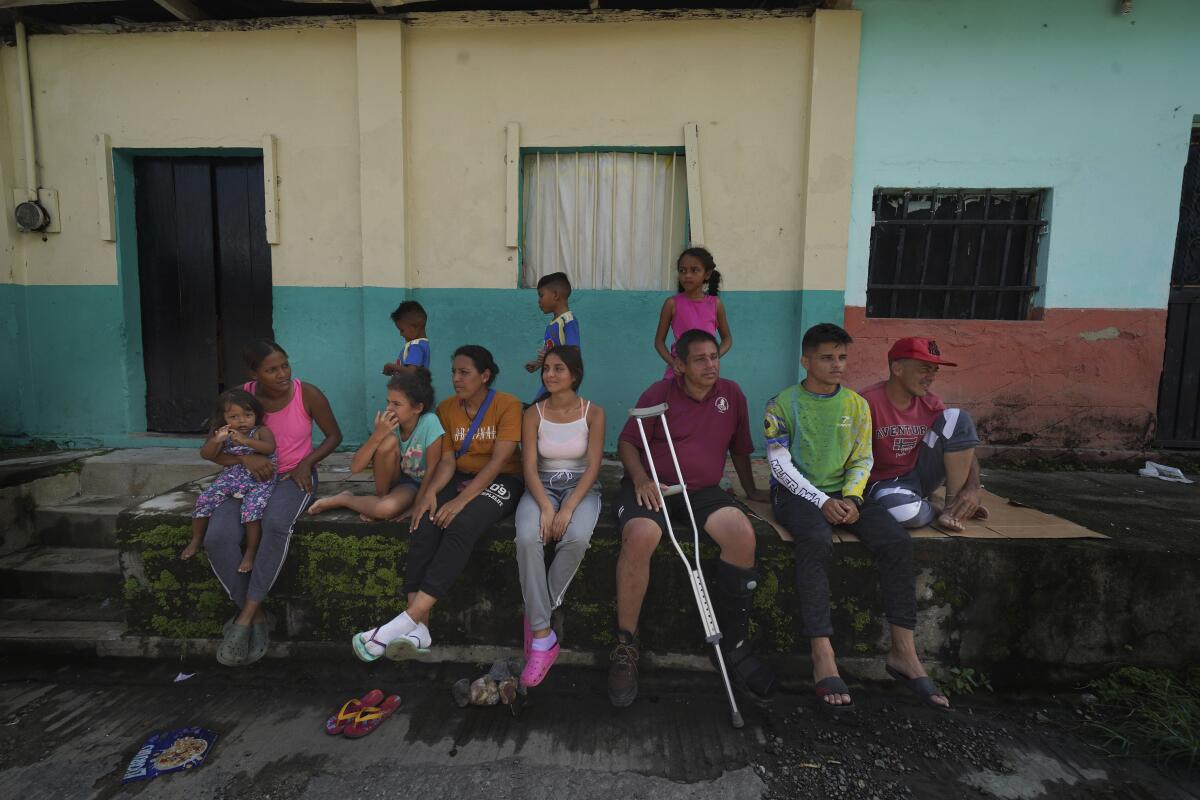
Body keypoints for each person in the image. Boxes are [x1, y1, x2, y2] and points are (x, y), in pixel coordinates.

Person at [765, 324, 948, 710]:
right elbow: (780, 465)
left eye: (842, 357)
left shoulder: (855, 404)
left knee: (896, 541)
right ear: (806, 361)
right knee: (816, 541)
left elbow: (864, 458)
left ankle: (904, 652)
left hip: (846, 494)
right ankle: (822, 654)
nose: (836, 365)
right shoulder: (780, 404)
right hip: (796, 495)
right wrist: (820, 501)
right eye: (826, 357)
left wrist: (850, 496)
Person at [609, 329, 774, 708]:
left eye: (714, 357)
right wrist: (641, 478)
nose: (710, 365)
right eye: (700, 359)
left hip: (700, 491)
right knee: (640, 535)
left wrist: (750, 490)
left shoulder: (731, 395)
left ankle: (733, 643)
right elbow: (628, 443)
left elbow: (741, 450)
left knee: (741, 534)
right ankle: (625, 645)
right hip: (653, 486)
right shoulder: (657, 394)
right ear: (679, 364)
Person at [352, 346, 525, 662]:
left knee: (462, 524)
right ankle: (420, 630)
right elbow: (446, 459)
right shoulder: (447, 408)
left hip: (502, 480)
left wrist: (461, 500)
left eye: (464, 372)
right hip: (459, 476)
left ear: (485, 375)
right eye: (454, 372)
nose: (456, 379)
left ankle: (405, 620)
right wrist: (430, 492)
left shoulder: (508, 405)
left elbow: (500, 460)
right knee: (424, 520)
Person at [206, 339, 343, 668]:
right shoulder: (240, 399)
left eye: (285, 365)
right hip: (245, 479)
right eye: (271, 369)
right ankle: (257, 615)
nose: (282, 373)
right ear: (254, 373)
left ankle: (246, 616)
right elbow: (213, 446)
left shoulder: (306, 394)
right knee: (217, 537)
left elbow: (334, 435)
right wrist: (246, 461)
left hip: (291, 478)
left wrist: (307, 464)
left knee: (276, 524)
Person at [513, 345, 605, 687]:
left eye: (558, 369)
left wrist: (567, 509)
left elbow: (594, 467)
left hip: (581, 488)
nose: (549, 374)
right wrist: (549, 507)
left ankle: (538, 617)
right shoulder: (533, 413)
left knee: (577, 536)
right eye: (547, 369)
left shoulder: (593, 413)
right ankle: (542, 635)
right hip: (541, 488)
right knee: (527, 537)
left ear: (575, 375)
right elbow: (529, 468)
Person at [859, 337, 987, 532]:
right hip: (880, 483)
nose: (931, 377)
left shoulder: (931, 404)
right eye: (924, 369)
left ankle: (952, 508)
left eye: (934, 370)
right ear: (897, 369)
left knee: (957, 418)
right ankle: (934, 507)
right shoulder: (866, 402)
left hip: (919, 476)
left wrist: (973, 489)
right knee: (903, 514)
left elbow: (960, 443)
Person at [306, 368, 443, 521]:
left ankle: (345, 500)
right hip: (406, 484)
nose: (389, 408)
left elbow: (433, 468)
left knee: (385, 509)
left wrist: (417, 505)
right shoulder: (391, 426)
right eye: (388, 402)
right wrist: (378, 435)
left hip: (427, 484)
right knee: (388, 442)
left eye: (396, 404)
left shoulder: (430, 422)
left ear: (418, 408)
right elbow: (355, 468)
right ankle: (378, 499)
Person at [181, 389, 277, 573]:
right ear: (223, 417)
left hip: (259, 479)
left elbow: (269, 447)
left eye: (248, 415)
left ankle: (250, 551)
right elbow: (207, 454)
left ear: (255, 414)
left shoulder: (260, 431)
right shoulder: (224, 433)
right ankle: (196, 538)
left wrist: (245, 441)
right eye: (234, 416)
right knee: (204, 499)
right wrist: (217, 440)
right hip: (232, 476)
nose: (242, 421)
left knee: (251, 510)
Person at [654, 247, 732, 379]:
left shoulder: (715, 304)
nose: (687, 275)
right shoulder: (672, 304)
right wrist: (673, 363)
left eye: (694, 270)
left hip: (706, 372)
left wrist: (713, 356)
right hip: (679, 372)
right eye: (682, 271)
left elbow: (727, 339)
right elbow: (659, 342)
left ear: (707, 274)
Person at [525, 272, 581, 401]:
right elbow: (550, 351)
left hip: (563, 379)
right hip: (551, 377)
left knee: (539, 409)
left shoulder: (568, 321)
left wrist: (550, 359)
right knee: (539, 408)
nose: (539, 301)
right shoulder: (553, 324)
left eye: (541, 295)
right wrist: (538, 364)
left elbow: (574, 350)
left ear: (555, 295)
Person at [383, 300, 430, 375]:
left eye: (402, 330)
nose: (401, 334)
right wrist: (395, 371)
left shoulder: (416, 346)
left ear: (416, 326)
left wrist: (392, 366)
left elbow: (411, 372)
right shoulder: (417, 344)